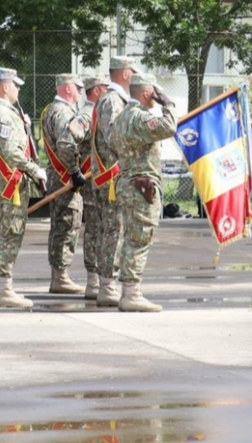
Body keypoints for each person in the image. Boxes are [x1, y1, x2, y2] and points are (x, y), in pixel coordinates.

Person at [107, 73, 178, 311]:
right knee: (140, 239)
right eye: (154, 93)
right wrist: (168, 105)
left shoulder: (121, 118)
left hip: (127, 182)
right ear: (147, 94)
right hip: (141, 186)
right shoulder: (139, 118)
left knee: (130, 238)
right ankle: (131, 294)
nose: (157, 97)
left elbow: (111, 143)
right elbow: (169, 127)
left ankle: (128, 291)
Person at [0, 67, 47, 309]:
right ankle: (4, 290)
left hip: (3, 179)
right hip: (10, 181)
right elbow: (10, 152)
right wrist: (34, 169)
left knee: (0, 233)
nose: (19, 89)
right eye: (16, 85)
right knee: (10, 233)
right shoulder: (3, 114)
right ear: (5, 87)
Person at [91, 56, 137, 306]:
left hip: (112, 177)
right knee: (113, 231)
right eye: (133, 72)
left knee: (110, 230)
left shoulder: (114, 99)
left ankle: (106, 283)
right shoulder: (112, 101)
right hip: (111, 179)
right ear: (126, 74)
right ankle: (108, 285)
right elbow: (114, 137)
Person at [40, 73, 88, 295]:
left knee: (63, 224)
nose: (80, 93)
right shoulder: (62, 112)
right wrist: (75, 171)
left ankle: (60, 275)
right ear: (68, 89)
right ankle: (60, 277)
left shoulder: (55, 110)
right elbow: (66, 144)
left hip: (58, 176)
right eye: (78, 89)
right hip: (64, 177)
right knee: (66, 226)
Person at [76, 75, 108, 298]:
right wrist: (73, 170)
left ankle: (99, 280)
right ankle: (94, 281)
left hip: (103, 178)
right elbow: (69, 138)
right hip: (91, 180)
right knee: (95, 229)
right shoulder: (87, 114)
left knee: (102, 228)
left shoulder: (102, 112)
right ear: (96, 91)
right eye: (105, 88)